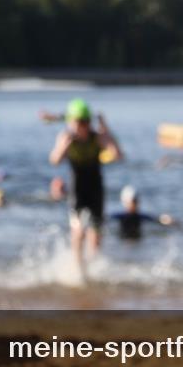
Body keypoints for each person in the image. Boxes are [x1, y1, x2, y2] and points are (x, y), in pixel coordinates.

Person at [48, 99, 123, 278]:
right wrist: (65, 145)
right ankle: (77, 267)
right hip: (77, 189)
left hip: (96, 189)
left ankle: (93, 269)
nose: (82, 126)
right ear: (71, 122)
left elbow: (118, 155)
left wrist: (106, 129)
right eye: (79, 122)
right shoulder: (65, 137)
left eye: (86, 121)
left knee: (96, 235)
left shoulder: (97, 136)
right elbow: (55, 160)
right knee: (79, 230)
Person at [110, 185, 174, 240]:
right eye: (133, 201)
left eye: (136, 201)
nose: (134, 204)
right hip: (124, 240)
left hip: (137, 241)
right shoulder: (120, 216)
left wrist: (166, 220)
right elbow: (106, 221)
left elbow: (155, 220)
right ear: (125, 202)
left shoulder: (140, 216)